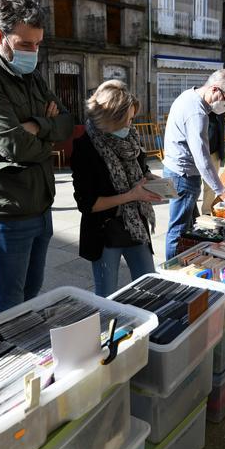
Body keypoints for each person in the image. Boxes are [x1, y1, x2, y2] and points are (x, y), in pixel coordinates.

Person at [0, 0, 73, 315]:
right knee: (7, 305)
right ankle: (4, 362)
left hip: (40, 204)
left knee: (31, 297)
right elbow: (15, 145)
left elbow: (66, 123)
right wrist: (45, 127)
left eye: (37, 44)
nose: (33, 52)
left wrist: (36, 125)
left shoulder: (30, 76)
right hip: (4, 213)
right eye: (25, 44)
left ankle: (26, 360)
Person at [72, 80, 162, 297]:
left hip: (136, 224)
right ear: (110, 118)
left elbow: (142, 168)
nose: (130, 126)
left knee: (150, 287)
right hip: (105, 230)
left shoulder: (131, 138)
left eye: (132, 119)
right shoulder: (86, 146)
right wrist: (131, 195)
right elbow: (88, 204)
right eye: (126, 120)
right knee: (107, 296)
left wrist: (151, 180)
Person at [162, 69, 225, 259]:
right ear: (214, 89)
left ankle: (186, 262)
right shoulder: (198, 113)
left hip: (176, 170)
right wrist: (223, 193)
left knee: (189, 225)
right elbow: (202, 159)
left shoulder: (188, 95)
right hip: (184, 175)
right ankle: (172, 271)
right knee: (178, 230)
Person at [200, 110, 225, 215]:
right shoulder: (199, 110)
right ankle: (192, 216)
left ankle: (207, 211)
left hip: (214, 153)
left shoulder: (219, 112)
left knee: (210, 186)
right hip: (200, 153)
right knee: (195, 186)